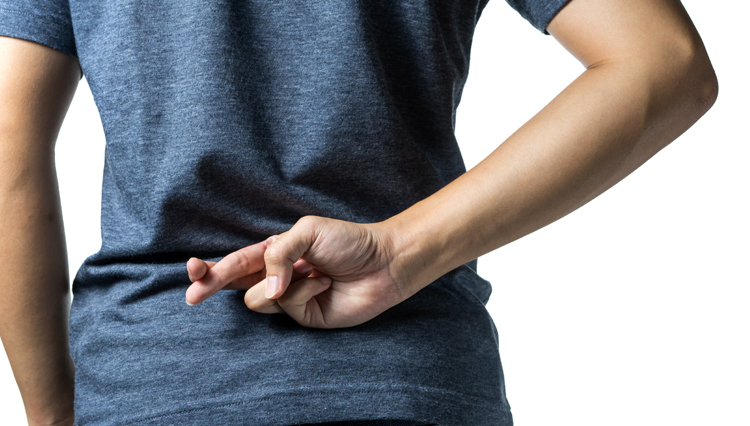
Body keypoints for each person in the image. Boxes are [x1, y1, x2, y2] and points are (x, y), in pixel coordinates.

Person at [0, 0, 717, 424]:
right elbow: (663, 60)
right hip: (408, 384)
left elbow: (9, 154)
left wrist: (55, 415)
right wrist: (400, 252)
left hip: (151, 381)